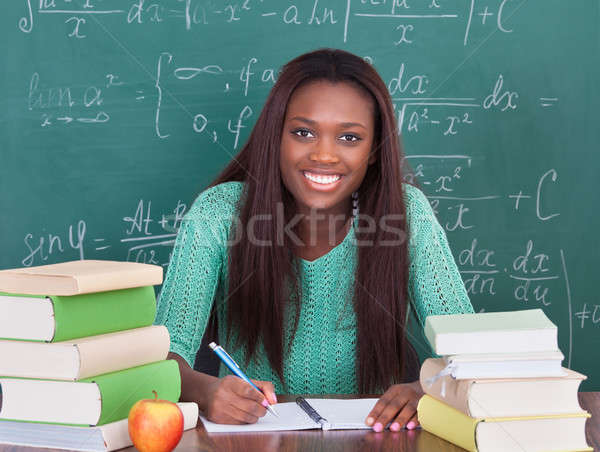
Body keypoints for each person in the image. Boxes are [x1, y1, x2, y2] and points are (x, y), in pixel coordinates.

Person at [154, 48, 474, 432]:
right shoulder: (218, 213)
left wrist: (428, 391)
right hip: (252, 438)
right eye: (303, 132)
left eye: (349, 137)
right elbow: (165, 357)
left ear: (373, 152)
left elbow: (471, 353)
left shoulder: (406, 214)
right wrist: (206, 392)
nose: (324, 154)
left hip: (373, 438)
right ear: (277, 136)